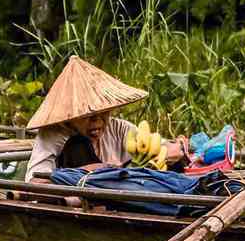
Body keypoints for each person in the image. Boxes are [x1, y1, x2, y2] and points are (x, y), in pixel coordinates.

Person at [24, 56, 186, 181]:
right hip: (79, 197)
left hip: (122, 195)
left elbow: (164, 147)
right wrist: (103, 170)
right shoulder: (54, 135)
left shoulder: (118, 128)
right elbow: (36, 179)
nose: (98, 121)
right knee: (78, 145)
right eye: (88, 116)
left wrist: (175, 148)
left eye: (104, 113)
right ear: (71, 118)